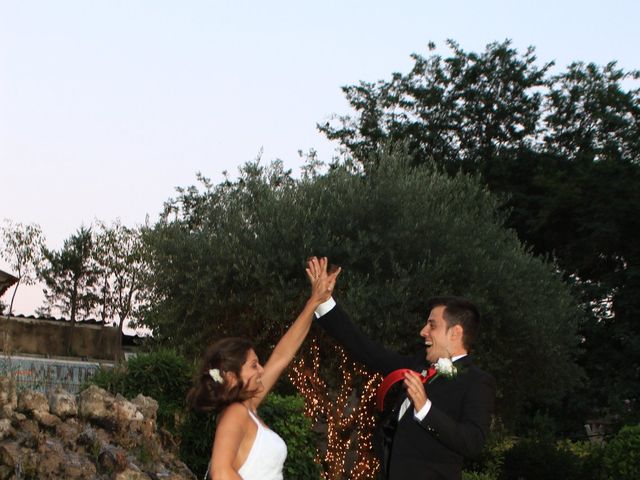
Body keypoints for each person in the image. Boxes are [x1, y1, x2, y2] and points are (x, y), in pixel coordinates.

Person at [308, 258, 495, 480]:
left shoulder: (477, 381)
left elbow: (472, 443)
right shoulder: (417, 365)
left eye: (432, 325)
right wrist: (324, 302)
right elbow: (367, 350)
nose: (423, 331)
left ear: (455, 333)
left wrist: (425, 409)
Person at [188, 257, 341, 480]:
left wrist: (315, 302)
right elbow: (220, 473)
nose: (261, 370)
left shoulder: (248, 408)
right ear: (231, 377)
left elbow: (281, 356)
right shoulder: (235, 414)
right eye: (253, 365)